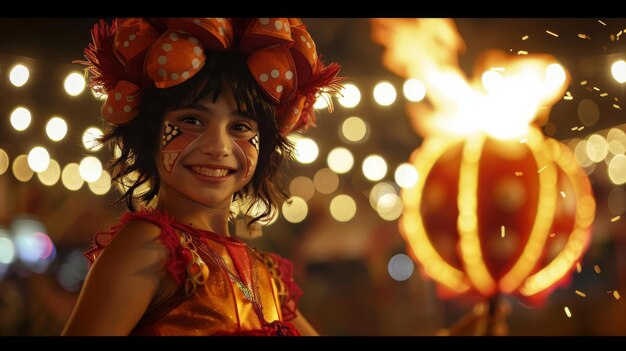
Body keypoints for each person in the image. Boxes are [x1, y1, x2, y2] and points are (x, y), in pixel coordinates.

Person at [61, 18, 342, 336]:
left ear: (264, 146)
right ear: (149, 133)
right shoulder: (149, 248)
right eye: (192, 120)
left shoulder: (267, 276)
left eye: (239, 127)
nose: (217, 147)